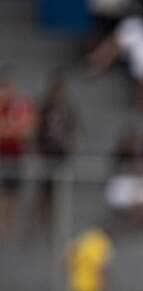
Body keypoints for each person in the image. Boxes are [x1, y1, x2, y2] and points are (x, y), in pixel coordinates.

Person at [35, 72, 80, 222]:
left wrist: (72, 144)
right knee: (44, 194)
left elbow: (74, 131)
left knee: (59, 193)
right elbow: (37, 130)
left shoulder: (69, 110)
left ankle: (55, 225)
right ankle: (41, 222)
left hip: (61, 156)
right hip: (46, 156)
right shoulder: (44, 108)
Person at [0, 68, 35, 239]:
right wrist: (12, 130)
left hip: (15, 157)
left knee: (12, 192)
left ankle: (8, 225)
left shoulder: (21, 105)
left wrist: (10, 130)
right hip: (2, 156)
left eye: (10, 87)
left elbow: (28, 131)